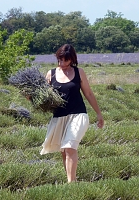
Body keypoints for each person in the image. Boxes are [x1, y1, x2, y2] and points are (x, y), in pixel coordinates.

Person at [40, 44, 104, 183]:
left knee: (69, 147)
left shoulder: (79, 72)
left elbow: (88, 93)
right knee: (64, 151)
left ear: (72, 59)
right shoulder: (51, 74)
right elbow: (43, 98)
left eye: (65, 60)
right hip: (59, 117)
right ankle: (72, 182)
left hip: (78, 115)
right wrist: (31, 96)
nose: (62, 63)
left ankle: (71, 183)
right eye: (60, 60)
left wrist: (99, 114)